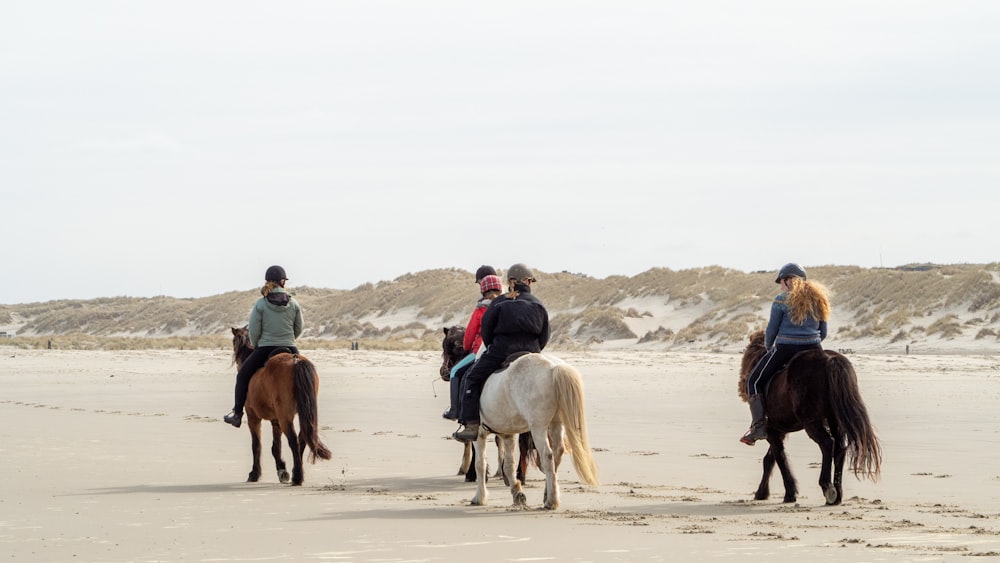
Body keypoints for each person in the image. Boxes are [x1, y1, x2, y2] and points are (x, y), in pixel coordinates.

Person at [453, 263, 550, 442]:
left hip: (502, 350)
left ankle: (471, 424)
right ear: (528, 281)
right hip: (532, 351)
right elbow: (545, 335)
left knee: (470, 378)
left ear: (510, 281)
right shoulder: (538, 303)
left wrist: (494, 347)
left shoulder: (499, 302)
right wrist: (534, 350)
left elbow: (487, 333)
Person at [741, 263, 830, 445]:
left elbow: (771, 331)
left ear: (789, 280)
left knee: (753, 380)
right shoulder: (819, 299)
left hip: (785, 348)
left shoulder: (781, 300)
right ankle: (828, 419)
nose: (781, 285)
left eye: (781, 281)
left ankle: (758, 427)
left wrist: (768, 347)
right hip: (814, 347)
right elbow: (824, 332)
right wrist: (811, 341)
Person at [223, 265, 304, 428]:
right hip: (290, 346)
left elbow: (253, 332)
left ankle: (237, 413)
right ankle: (308, 409)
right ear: (282, 282)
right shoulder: (294, 303)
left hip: (265, 348)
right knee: (305, 374)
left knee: (242, 376)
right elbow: (299, 328)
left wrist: (259, 344)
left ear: (268, 281)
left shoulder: (260, 304)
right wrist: (288, 340)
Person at [442, 271, 504, 420]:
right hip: (507, 349)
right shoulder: (508, 305)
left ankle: (455, 410)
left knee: (455, 372)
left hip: (481, 351)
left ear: (483, 291)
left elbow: (469, 336)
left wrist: (467, 347)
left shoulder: (481, 309)